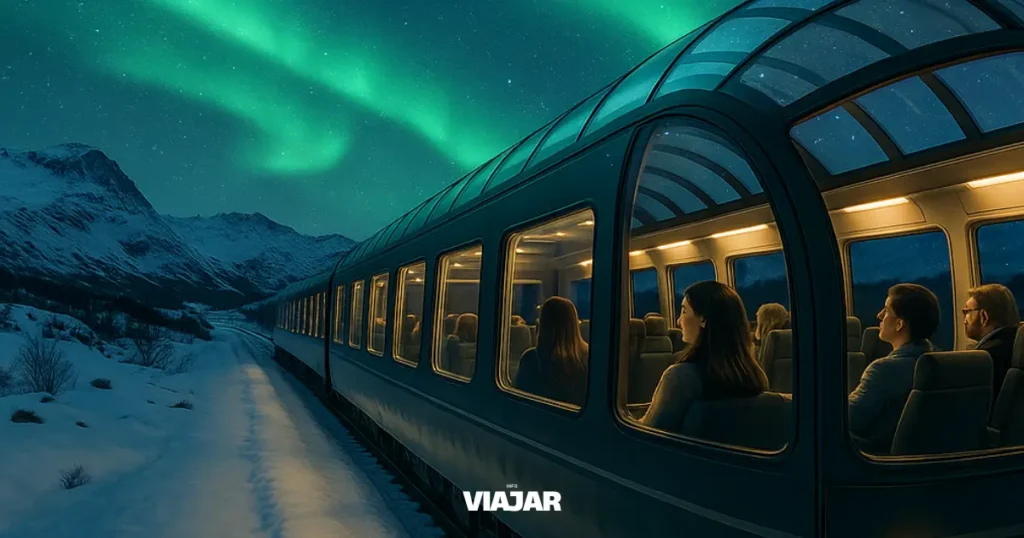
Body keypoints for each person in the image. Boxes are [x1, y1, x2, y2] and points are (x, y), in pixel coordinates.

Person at [641, 281, 768, 431]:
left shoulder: (681, 377)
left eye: (684, 312)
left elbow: (650, 433)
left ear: (703, 319)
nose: (678, 321)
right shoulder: (755, 376)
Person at [849, 283, 939, 453]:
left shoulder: (883, 370)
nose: (879, 315)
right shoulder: (938, 362)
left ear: (899, 324)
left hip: (871, 457)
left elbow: (849, 419)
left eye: (886, 310)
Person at [515, 297, 589, 406]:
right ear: (575, 324)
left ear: (542, 325)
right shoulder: (589, 358)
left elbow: (519, 401)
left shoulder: (531, 359)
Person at [964, 283, 1020, 404]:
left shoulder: (986, 357)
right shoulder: (1017, 345)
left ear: (984, 316)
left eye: (967, 311)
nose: (965, 319)